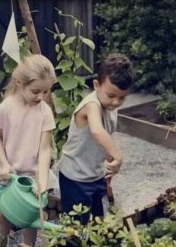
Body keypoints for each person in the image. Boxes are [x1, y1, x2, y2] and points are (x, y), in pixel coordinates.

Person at [58, 53, 134, 224]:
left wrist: (108, 160)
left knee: (98, 221)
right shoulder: (91, 105)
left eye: (122, 97)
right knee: (76, 228)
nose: (115, 102)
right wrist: (118, 156)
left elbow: (105, 136)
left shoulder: (110, 105)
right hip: (75, 178)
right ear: (96, 85)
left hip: (95, 175)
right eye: (111, 95)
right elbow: (98, 132)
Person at [0, 54, 57, 247]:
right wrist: (4, 163)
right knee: (3, 216)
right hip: (7, 174)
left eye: (46, 92)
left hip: (32, 174)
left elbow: (44, 149)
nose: (41, 97)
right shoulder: (6, 108)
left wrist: (42, 181)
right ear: (19, 83)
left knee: (31, 216)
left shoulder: (44, 112)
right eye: (36, 91)